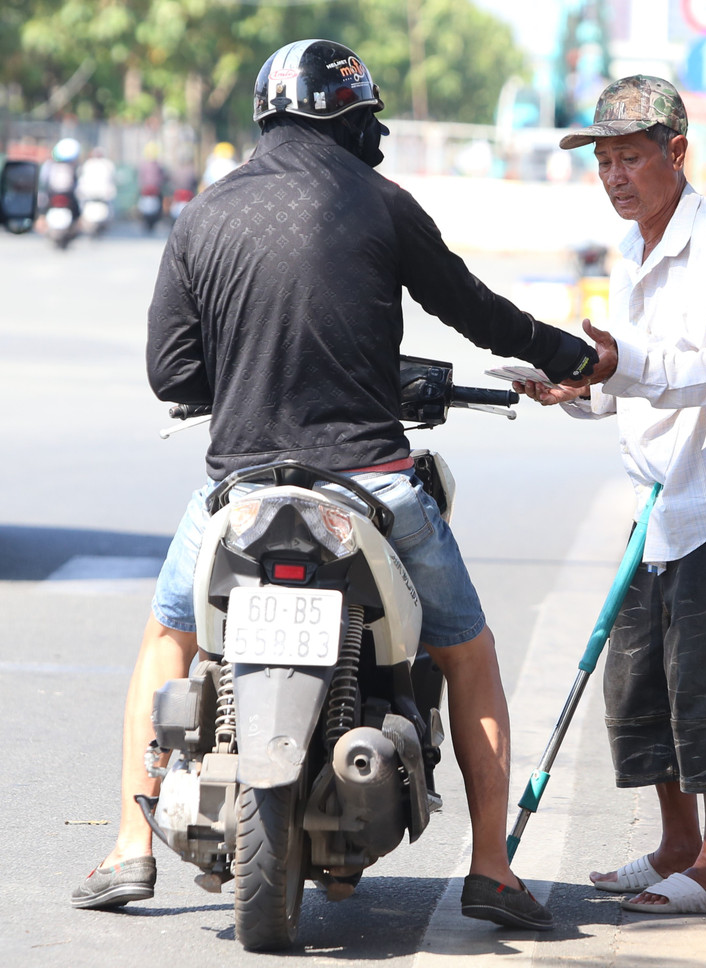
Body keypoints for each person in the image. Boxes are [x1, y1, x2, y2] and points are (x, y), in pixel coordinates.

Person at [69, 38, 607, 931]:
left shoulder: (202, 214)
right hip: (373, 493)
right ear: (349, 119)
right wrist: (571, 357)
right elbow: (476, 312)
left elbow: (172, 374)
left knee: (168, 637)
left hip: (238, 495)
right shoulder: (382, 202)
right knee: (466, 651)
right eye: (369, 120)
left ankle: (131, 846)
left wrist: (245, 380)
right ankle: (490, 867)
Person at [517, 75, 706, 916]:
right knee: (642, 686)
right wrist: (580, 387)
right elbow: (634, 377)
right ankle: (675, 846)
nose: (615, 176)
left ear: (676, 153)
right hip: (658, 506)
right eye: (604, 161)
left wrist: (623, 365)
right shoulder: (634, 251)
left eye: (630, 157)